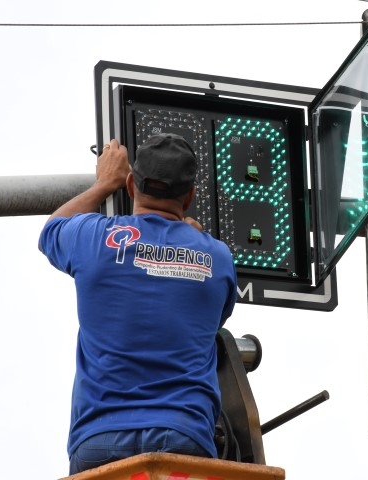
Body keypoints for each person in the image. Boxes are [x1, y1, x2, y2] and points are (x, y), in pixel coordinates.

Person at [38, 134, 237, 475]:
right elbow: (211, 321)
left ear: (130, 185)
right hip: (182, 438)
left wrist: (103, 184)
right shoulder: (217, 258)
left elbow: (51, 230)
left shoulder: (92, 238)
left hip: (98, 441)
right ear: (189, 196)